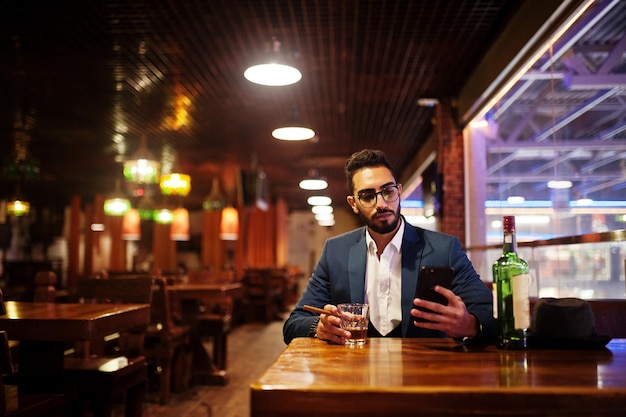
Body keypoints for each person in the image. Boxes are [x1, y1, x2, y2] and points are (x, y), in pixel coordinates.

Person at [283, 149, 493, 345]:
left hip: (426, 374)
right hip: (354, 376)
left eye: (388, 191)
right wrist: (319, 328)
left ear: (399, 191)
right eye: (367, 196)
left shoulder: (444, 249)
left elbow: (488, 314)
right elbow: (294, 323)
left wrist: (470, 325)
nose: (381, 203)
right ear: (353, 203)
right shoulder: (335, 251)